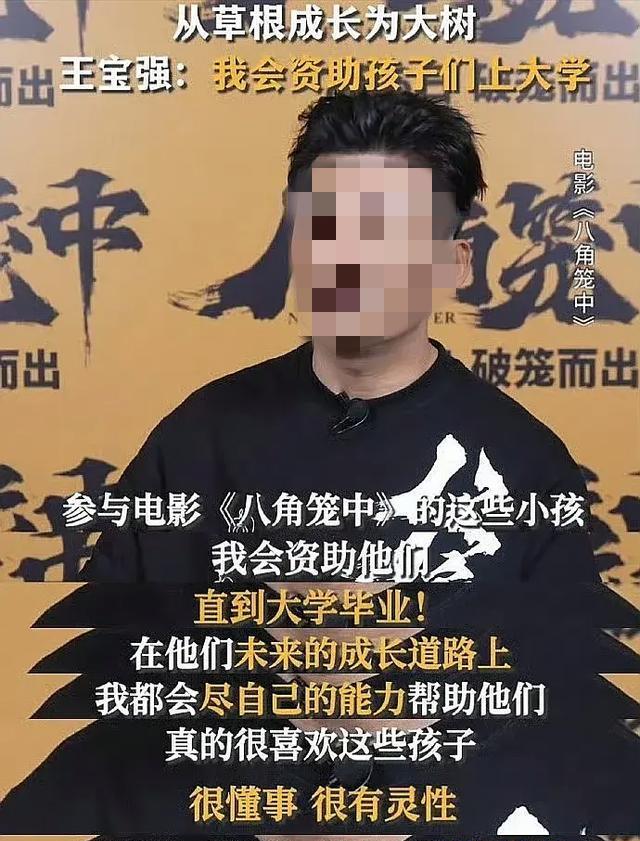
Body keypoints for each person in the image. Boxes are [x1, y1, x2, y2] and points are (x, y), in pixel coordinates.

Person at [80, 88, 599, 593]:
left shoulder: (526, 462)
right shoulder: (198, 437)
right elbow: (109, 637)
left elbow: (562, 648)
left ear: (454, 263)